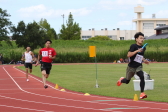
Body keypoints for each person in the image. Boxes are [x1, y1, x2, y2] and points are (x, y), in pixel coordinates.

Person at [116, 32, 149, 99]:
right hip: (131, 67)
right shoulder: (133, 46)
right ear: (136, 39)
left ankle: (142, 93)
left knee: (142, 76)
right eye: (140, 38)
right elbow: (129, 55)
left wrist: (144, 60)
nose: (142, 39)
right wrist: (137, 51)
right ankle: (121, 80)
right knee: (127, 81)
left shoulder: (143, 48)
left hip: (138, 66)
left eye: (143, 38)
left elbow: (140, 56)